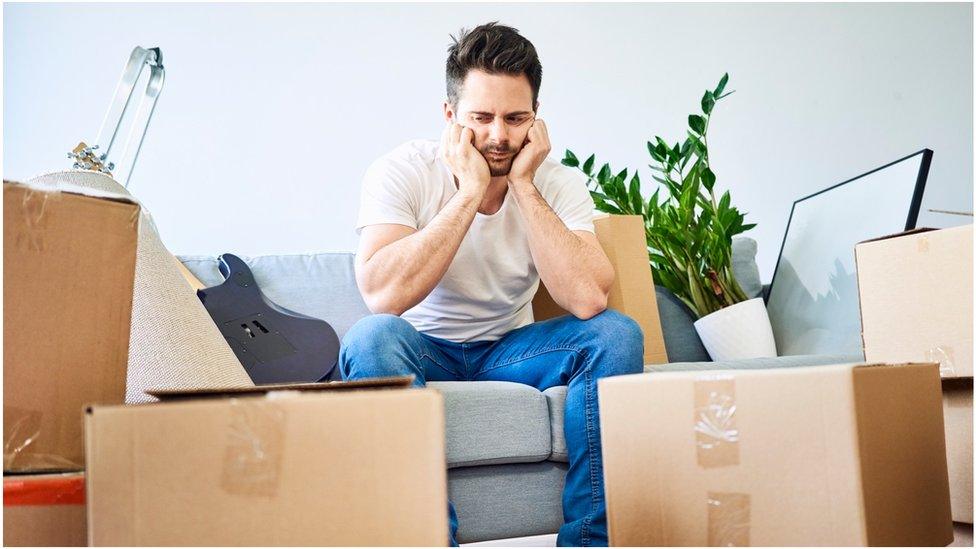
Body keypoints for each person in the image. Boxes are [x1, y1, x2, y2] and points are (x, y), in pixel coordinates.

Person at [339, 21, 644, 547]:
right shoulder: (402, 171)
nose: (499, 135)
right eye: (481, 118)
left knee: (616, 334)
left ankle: (592, 541)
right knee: (370, 338)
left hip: (507, 349)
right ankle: (429, 540)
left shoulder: (556, 182)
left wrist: (522, 184)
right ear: (450, 116)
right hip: (421, 348)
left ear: (536, 120)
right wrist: (468, 193)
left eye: (515, 118)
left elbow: (587, 298)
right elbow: (383, 297)